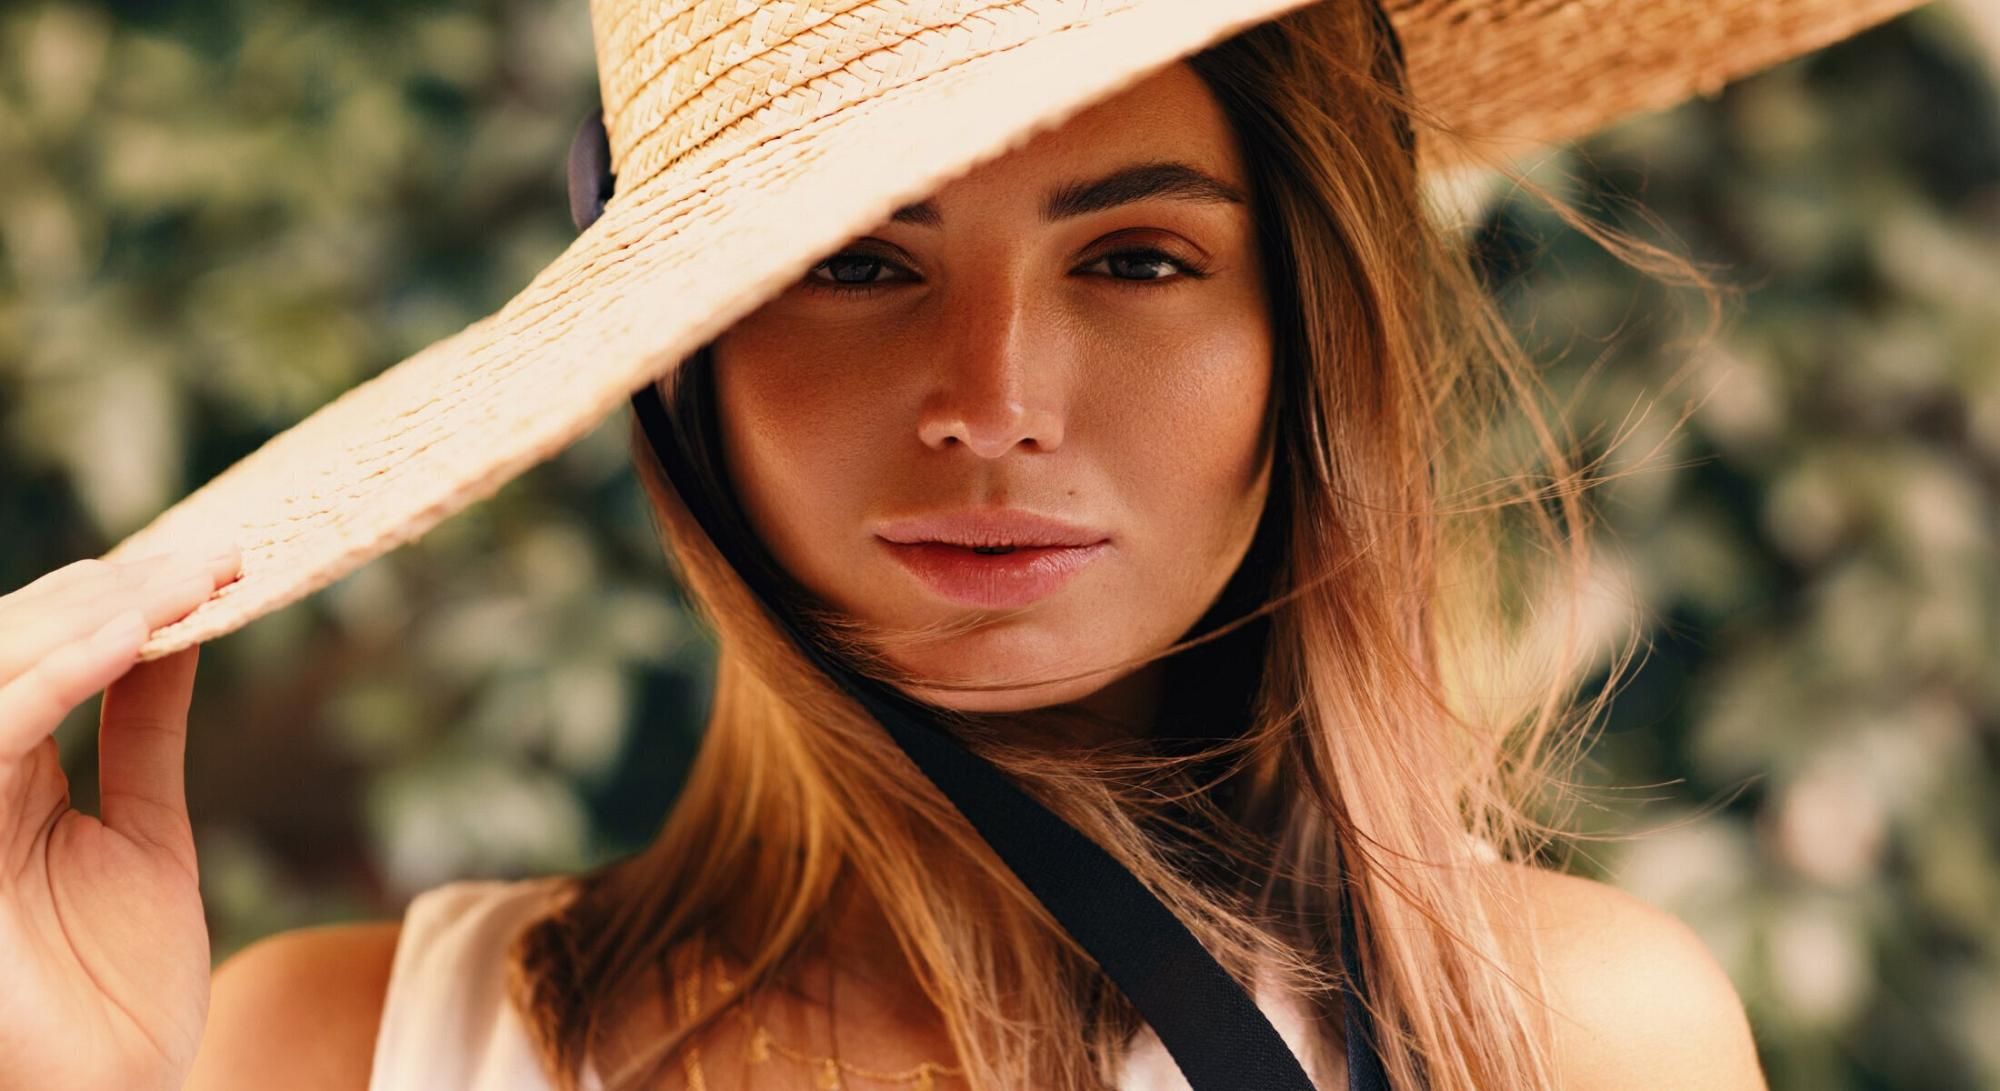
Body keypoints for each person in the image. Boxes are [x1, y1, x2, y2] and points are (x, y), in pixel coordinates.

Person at [6, 0, 1914, 1088]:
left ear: (1306, 342)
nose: (992, 395)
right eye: (856, 261)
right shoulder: (337, 1050)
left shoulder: (1557, 1039)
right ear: (685, 368)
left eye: (1139, 258)